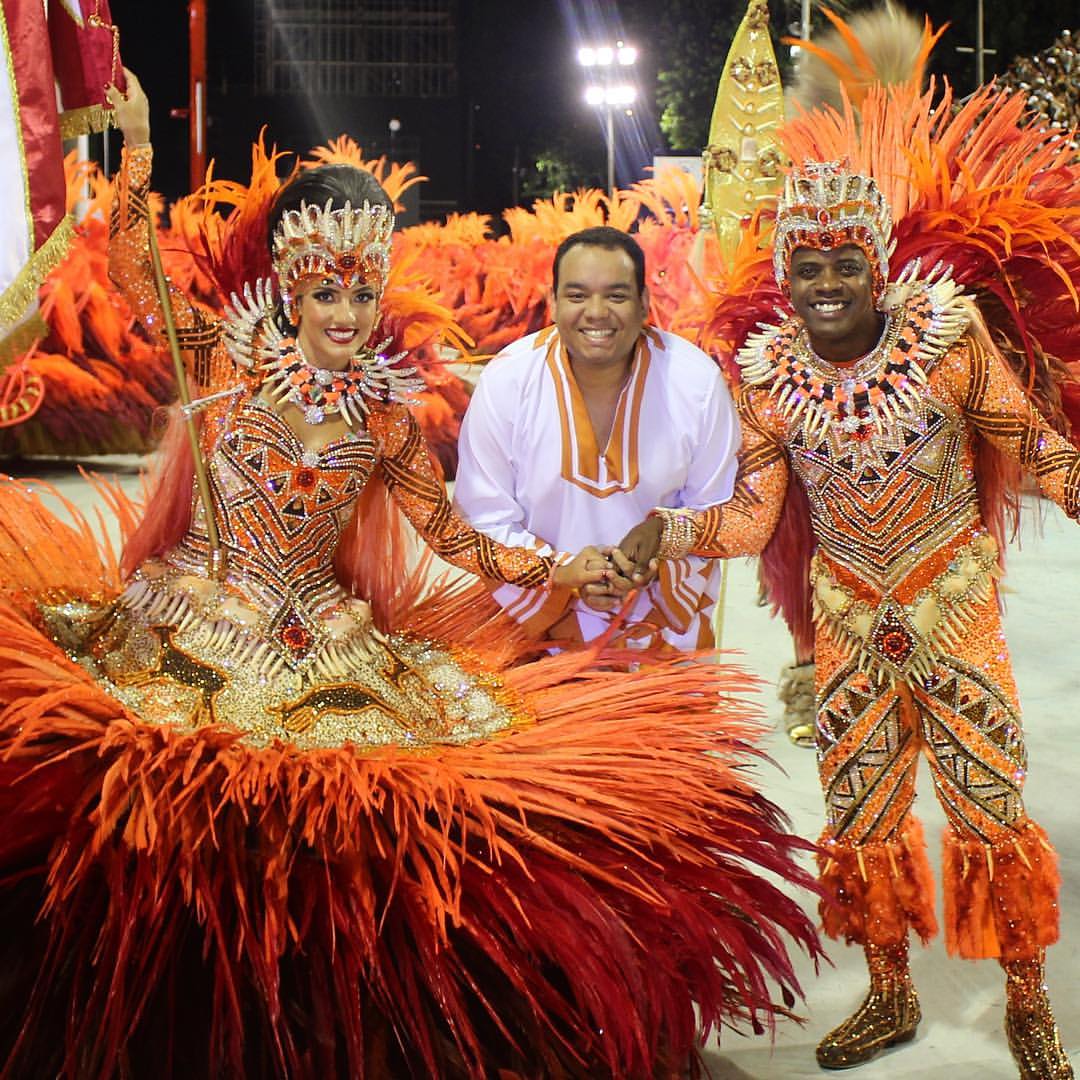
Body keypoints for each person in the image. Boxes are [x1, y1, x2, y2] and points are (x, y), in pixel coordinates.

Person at [0, 72, 823, 1077]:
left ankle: (303, 1009)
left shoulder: (388, 418)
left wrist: (560, 564)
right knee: (179, 813)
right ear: (291, 287)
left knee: (339, 822)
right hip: (197, 617)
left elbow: (456, 536)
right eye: (324, 291)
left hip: (320, 636)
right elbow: (137, 274)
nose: (346, 314)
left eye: (361, 292)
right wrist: (132, 150)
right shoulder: (227, 360)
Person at [620, 162, 1078, 1077]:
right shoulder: (768, 378)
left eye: (845, 264)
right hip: (848, 625)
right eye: (808, 266)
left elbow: (1032, 442)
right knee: (860, 819)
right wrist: (667, 530)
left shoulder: (950, 342)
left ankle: (1028, 1006)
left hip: (952, 612)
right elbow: (753, 517)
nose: (826, 284)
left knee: (990, 811)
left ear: (877, 266)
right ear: (785, 277)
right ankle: (891, 993)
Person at [454, 226, 739, 649]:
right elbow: (484, 517)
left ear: (644, 303)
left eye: (617, 296)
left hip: (662, 631)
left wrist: (654, 562)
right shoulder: (507, 380)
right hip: (533, 633)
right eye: (577, 295)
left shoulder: (695, 382)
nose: (597, 312)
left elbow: (719, 513)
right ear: (552, 302)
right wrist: (562, 572)